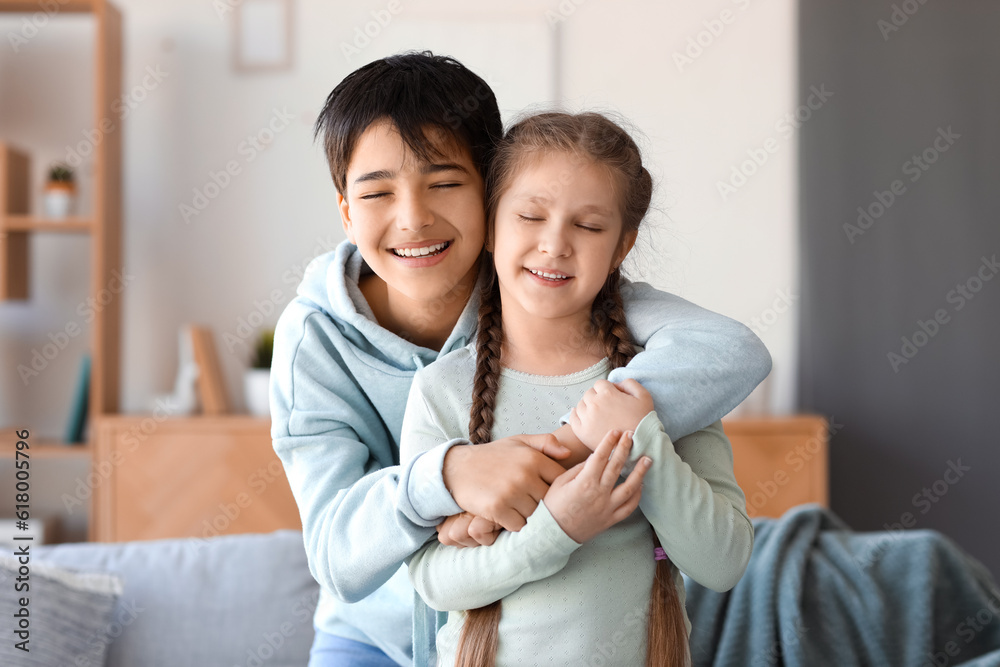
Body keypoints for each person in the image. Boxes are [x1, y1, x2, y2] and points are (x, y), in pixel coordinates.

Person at [270, 52, 770, 667]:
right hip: (374, 635)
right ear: (347, 209)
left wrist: (567, 450)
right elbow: (336, 556)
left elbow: (731, 351)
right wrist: (451, 479)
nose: (413, 218)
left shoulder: (552, 283)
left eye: (446, 183)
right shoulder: (316, 339)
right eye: (377, 192)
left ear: (490, 192)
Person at [400, 111, 752, 667]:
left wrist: (640, 438)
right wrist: (557, 529)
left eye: (588, 227)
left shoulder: (656, 384)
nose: (555, 244)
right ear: (492, 225)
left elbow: (724, 561)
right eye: (531, 216)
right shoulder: (441, 389)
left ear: (621, 246)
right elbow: (436, 583)